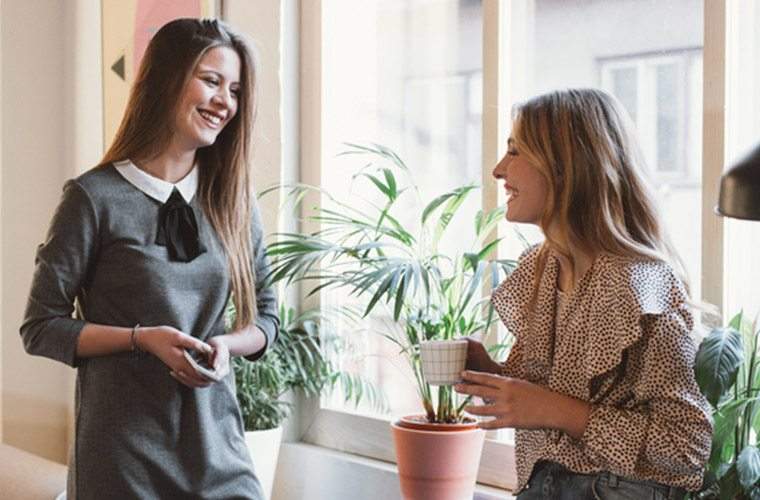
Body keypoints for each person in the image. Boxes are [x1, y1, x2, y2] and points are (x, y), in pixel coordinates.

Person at [20, 18, 278, 499]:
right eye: (211, 80)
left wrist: (227, 346)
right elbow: (41, 327)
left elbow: (267, 318)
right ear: (166, 79)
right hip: (122, 461)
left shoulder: (235, 202)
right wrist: (142, 340)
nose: (226, 101)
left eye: (236, 89)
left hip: (219, 453)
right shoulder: (93, 198)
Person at [454, 88, 712, 499]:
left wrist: (557, 411)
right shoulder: (540, 269)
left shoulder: (640, 285)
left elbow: (686, 446)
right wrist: (492, 375)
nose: (498, 170)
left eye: (516, 151)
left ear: (564, 167)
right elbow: (549, 396)